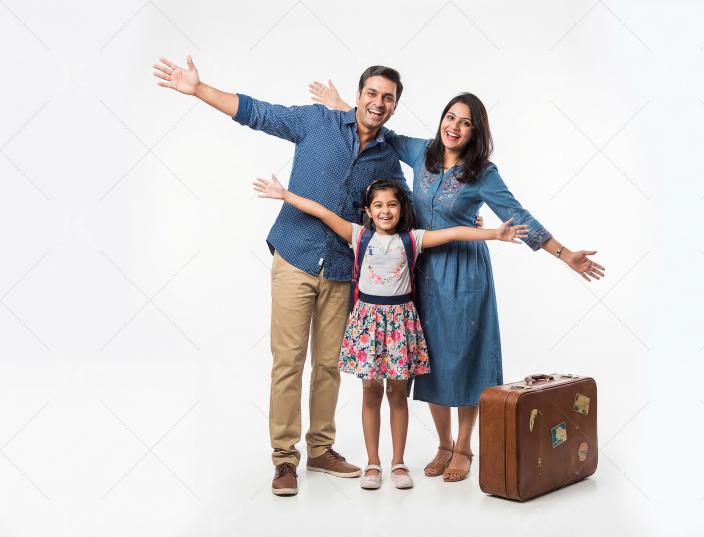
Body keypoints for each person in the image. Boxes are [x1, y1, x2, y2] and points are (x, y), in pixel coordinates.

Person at [309, 82, 606, 482]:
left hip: (466, 274)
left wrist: (563, 252)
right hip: (421, 273)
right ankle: (443, 444)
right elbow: (384, 132)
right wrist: (341, 104)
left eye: (465, 123)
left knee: (464, 359)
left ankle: (465, 447)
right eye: (451, 117)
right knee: (428, 360)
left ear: (475, 132)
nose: (454, 127)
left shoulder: (483, 174)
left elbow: (518, 216)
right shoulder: (421, 153)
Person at [153, 56, 411, 496]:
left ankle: (321, 449)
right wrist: (199, 89)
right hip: (295, 255)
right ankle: (284, 459)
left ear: (394, 106)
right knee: (288, 361)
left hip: (344, 273)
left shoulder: (388, 159)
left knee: (329, 365)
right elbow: (257, 112)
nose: (378, 102)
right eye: (372, 93)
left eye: (387, 98)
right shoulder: (317, 122)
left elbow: (402, 214)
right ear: (359, 94)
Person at [253, 175, 529, 490]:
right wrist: (286, 194)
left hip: (400, 327)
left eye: (392, 204)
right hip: (368, 326)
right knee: (371, 393)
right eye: (378, 205)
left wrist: (494, 233)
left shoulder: (413, 239)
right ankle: (374, 462)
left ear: (401, 208)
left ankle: (398, 462)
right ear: (368, 211)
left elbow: (452, 232)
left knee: (397, 396)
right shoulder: (358, 236)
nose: (386, 211)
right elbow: (323, 213)